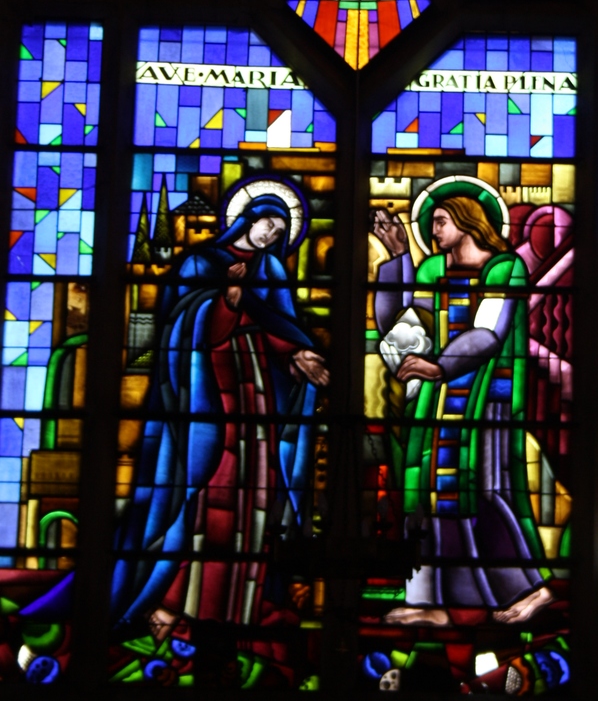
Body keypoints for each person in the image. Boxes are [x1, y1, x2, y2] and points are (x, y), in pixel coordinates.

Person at [111, 180, 328, 638]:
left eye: (280, 231)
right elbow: (182, 326)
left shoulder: (271, 269)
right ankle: (172, 601)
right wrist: (225, 305)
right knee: (205, 489)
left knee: (255, 490)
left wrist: (296, 353)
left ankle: (238, 611)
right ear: (248, 218)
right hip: (206, 389)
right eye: (268, 223)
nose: (271, 234)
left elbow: (279, 324)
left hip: (258, 391)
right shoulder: (200, 262)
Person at [372, 176, 552, 626]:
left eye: (440, 221)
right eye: (432, 223)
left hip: (485, 401)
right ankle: (429, 600)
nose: (432, 231)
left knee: (485, 492)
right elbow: (400, 325)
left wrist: (439, 367)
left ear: (468, 221)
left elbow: (489, 331)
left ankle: (531, 589)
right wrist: (398, 260)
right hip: (436, 402)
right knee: (426, 494)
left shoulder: (504, 268)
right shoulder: (433, 269)